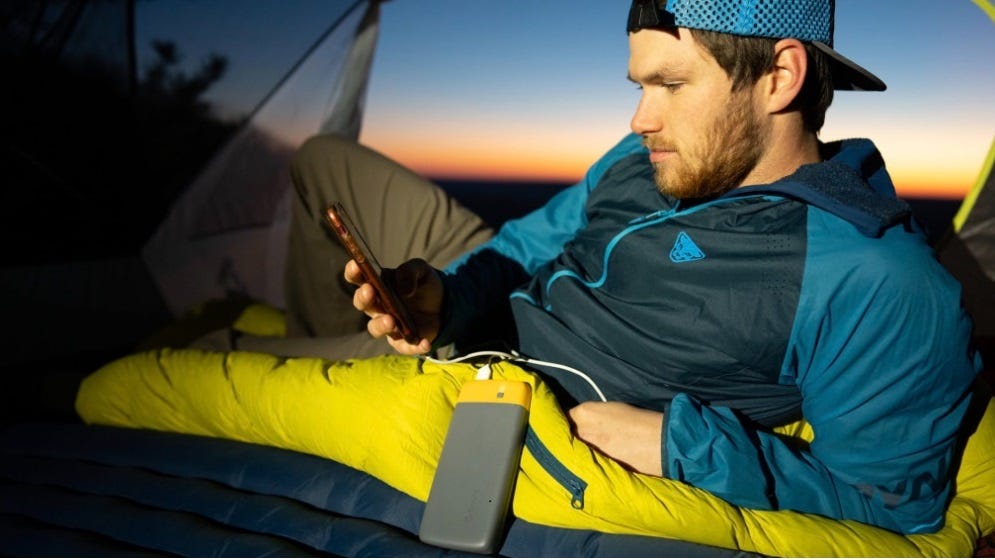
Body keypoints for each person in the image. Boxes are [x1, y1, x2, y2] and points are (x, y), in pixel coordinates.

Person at [271, 0, 982, 536]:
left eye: (670, 85)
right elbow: (528, 244)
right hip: (487, 307)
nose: (639, 118)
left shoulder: (875, 281)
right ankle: (368, 326)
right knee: (320, 161)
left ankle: (328, 345)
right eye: (639, 85)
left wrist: (684, 446)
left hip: (506, 373)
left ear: (778, 76)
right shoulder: (653, 152)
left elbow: (893, 503)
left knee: (233, 362)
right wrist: (447, 297)